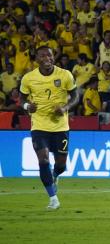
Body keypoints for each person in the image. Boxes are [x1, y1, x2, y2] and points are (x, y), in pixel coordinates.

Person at [19, 46, 79, 210]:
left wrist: (65, 108)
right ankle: (53, 198)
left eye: (50, 55)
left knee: (61, 164)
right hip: (39, 126)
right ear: (37, 59)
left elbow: (75, 95)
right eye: (43, 55)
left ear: (54, 57)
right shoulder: (28, 78)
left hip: (61, 127)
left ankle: (55, 175)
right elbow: (21, 98)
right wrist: (26, 106)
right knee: (43, 159)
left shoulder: (65, 75)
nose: (47, 58)